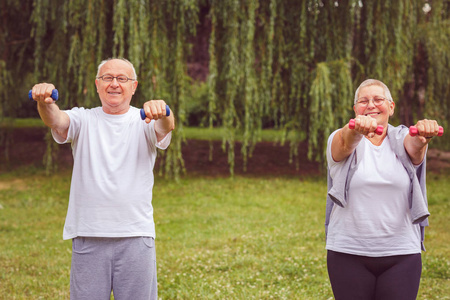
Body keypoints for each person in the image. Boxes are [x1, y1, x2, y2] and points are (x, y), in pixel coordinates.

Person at [30, 58, 175, 299]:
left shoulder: (145, 120)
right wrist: (44, 102)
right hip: (89, 235)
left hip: (135, 235)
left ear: (134, 86)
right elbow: (55, 119)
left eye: (122, 79)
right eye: (107, 78)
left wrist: (164, 111)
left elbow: (166, 126)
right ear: (97, 85)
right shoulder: (83, 119)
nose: (114, 84)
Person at [325, 79, 442, 300]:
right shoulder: (340, 137)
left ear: (391, 107)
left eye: (378, 99)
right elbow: (344, 143)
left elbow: (415, 146)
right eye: (363, 101)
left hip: (402, 253)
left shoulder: (403, 138)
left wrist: (423, 135)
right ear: (355, 109)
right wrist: (356, 130)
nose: (371, 105)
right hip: (348, 252)